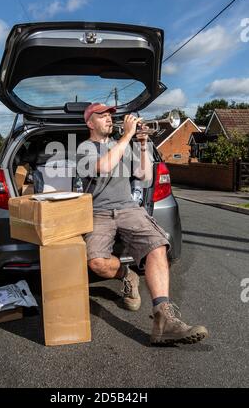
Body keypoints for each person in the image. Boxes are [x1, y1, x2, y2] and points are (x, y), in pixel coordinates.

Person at [78, 102, 208, 345]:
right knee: (95, 262)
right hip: (98, 212)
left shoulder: (126, 146)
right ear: (89, 123)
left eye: (110, 116)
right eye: (102, 116)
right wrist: (127, 135)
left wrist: (143, 143)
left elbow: (145, 176)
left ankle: (164, 318)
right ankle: (127, 275)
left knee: (157, 245)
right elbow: (103, 167)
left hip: (129, 208)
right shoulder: (85, 148)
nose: (109, 119)